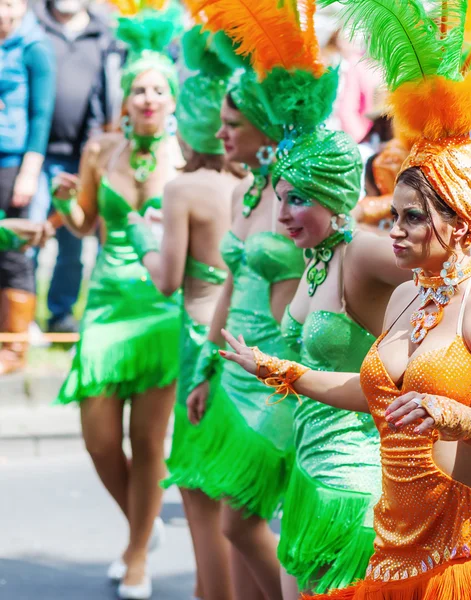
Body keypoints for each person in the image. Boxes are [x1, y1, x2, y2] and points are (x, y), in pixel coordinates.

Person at [220, 0, 471, 597]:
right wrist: (281, 371)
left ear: (462, 221)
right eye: (393, 215)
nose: (394, 230)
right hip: (401, 538)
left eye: (412, 218)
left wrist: (448, 413)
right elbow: (370, 394)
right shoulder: (406, 300)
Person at [50, 7, 183, 599]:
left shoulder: (189, 157)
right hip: (105, 305)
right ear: (125, 99)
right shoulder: (102, 151)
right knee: (100, 439)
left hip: (161, 308)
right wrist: (66, 206)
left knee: (151, 443)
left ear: (173, 99)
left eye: (158, 88)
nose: (147, 97)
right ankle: (143, 522)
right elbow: (84, 225)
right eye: (138, 89)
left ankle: (136, 556)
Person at [183, 6, 306, 599]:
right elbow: (231, 281)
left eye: (234, 123)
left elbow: (322, 283)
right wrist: (206, 366)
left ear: (263, 125)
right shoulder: (246, 190)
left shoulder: (293, 197)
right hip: (234, 371)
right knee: (236, 526)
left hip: (277, 376)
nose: (221, 133)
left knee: (240, 521)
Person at [126, 26, 245, 600]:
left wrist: (140, 243)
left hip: (201, 340)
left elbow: (169, 279)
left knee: (199, 494)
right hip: (247, 342)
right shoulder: (253, 185)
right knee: (236, 496)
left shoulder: (183, 190)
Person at [31, 0, 122, 333]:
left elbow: (108, 94)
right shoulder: (34, 24)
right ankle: (19, 322)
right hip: (36, 154)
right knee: (30, 232)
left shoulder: (105, 34)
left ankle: (60, 315)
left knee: (72, 237)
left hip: (85, 155)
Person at [0, 0, 55, 373]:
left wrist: (30, 171)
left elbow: (42, 112)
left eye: (9, 3)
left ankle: (14, 348)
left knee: (12, 251)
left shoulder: (34, 46)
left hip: (13, 162)